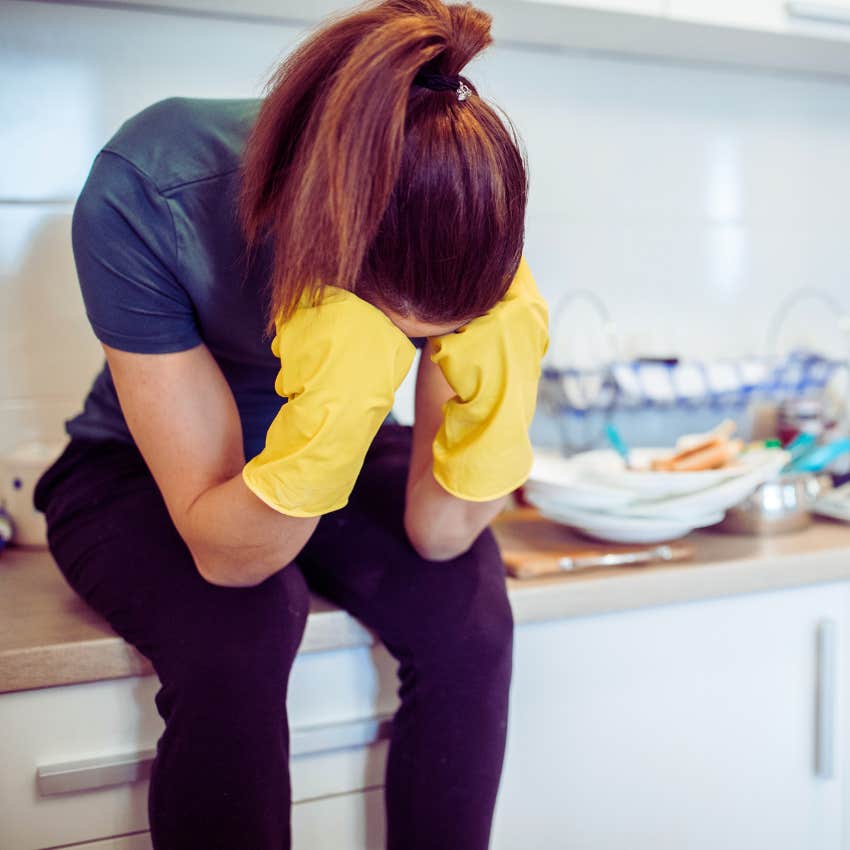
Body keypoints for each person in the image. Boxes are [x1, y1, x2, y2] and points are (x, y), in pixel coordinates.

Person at [33, 0, 549, 847]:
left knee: (471, 617)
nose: (413, 351)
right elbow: (233, 558)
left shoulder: (457, 208)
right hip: (140, 470)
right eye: (393, 331)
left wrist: (499, 405)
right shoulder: (153, 187)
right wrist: (340, 402)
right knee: (240, 627)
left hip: (324, 462)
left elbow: (440, 534)